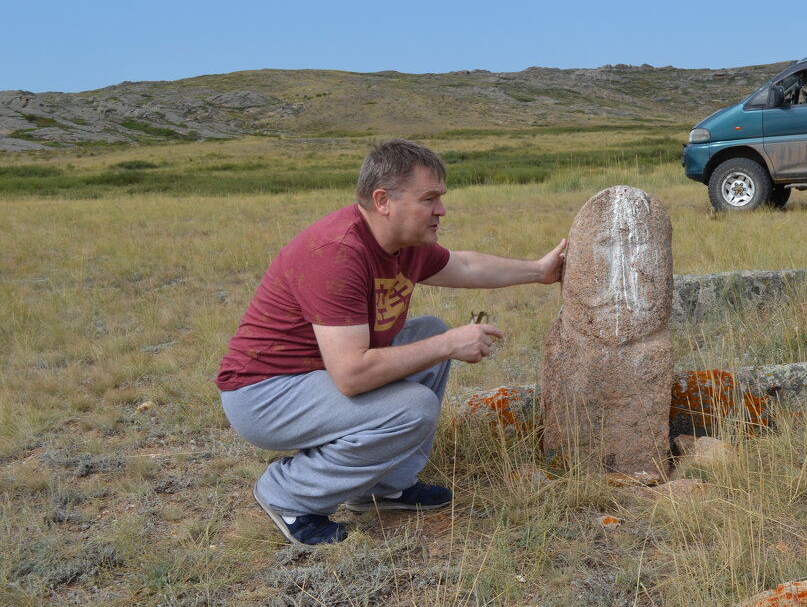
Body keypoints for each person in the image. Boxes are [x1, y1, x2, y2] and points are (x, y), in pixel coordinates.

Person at [215, 139, 566, 545]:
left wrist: (539, 271)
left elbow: (466, 265)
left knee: (430, 329)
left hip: (313, 377)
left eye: (440, 198)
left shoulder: (405, 244)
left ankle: (386, 487)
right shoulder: (337, 252)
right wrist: (449, 345)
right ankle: (289, 494)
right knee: (414, 403)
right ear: (383, 200)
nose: (441, 210)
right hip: (264, 395)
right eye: (429, 198)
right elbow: (351, 375)